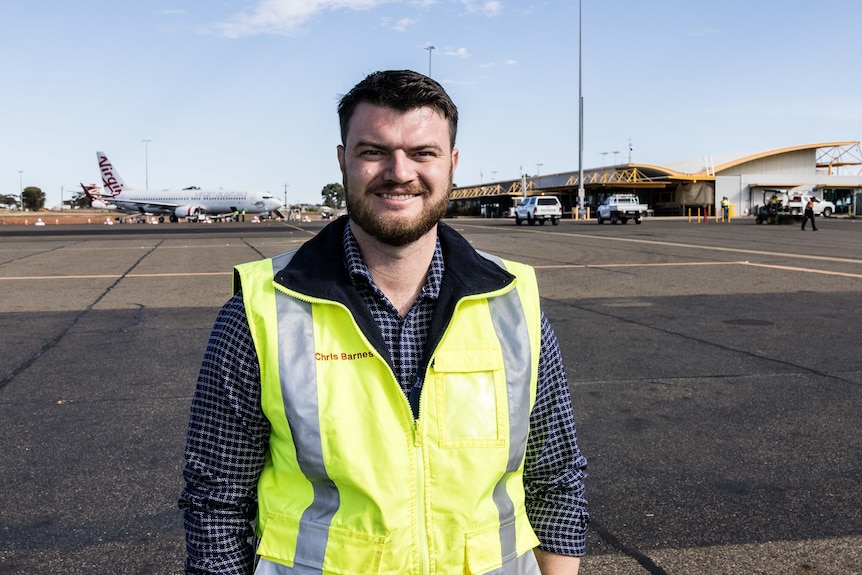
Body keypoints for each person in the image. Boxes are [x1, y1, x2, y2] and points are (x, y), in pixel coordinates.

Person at [179, 69, 589, 575]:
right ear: (342, 161)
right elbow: (215, 501)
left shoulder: (513, 302)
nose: (400, 171)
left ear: (452, 164)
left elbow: (555, 477)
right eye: (374, 151)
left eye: (423, 153)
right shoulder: (261, 309)